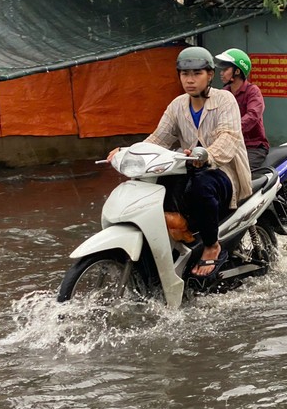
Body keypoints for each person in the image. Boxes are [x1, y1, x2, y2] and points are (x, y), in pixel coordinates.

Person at [107, 46, 252, 278]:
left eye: (197, 74)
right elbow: (157, 139)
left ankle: (211, 244)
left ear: (209, 75)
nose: (190, 80)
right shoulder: (177, 106)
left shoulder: (225, 100)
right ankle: (177, 235)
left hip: (224, 172)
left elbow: (229, 138)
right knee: (157, 187)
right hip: (190, 167)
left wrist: (206, 154)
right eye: (185, 74)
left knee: (201, 186)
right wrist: (128, 152)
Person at [214, 48, 270, 169]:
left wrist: (231, 129)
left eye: (225, 69)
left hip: (253, 147)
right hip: (229, 145)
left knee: (242, 172)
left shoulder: (252, 91)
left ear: (237, 71)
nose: (221, 73)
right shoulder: (223, 93)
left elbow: (253, 115)